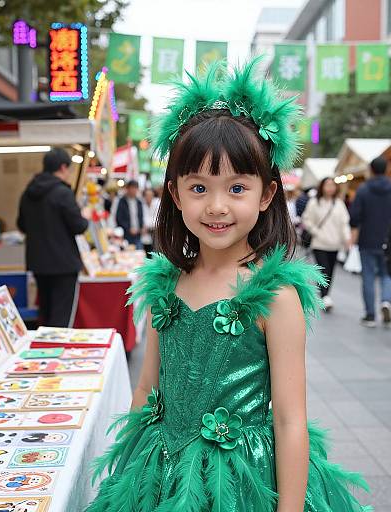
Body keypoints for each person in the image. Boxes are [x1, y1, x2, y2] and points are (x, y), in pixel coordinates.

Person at [87, 61, 370, 512]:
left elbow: (291, 419)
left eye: (236, 188)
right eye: (199, 187)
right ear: (176, 196)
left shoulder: (275, 296)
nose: (216, 206)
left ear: (266, 194)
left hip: (243, 484)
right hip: (160, 474)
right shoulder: (165, 284)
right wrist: (129, 476)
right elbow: (145, 388)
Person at [17, 148, 89, 328]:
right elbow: (79, 226)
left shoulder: (28, 192)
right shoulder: (63, 193)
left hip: (38, 264)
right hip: (63, 265)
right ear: (63, 167)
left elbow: (21, 225)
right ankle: (56, 352)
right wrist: (84, 215)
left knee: (46, 313)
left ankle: (44, 353)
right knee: (61, 317)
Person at [350, 156, 391, 327]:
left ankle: (370, 315)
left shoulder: (363, 190)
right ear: (386, 169)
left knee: (368, 277)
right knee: (387, 275)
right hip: (389, 241)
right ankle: (386, 301)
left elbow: (354, 216)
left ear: (371, 169)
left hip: (367, 240)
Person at [302, 177, 350, 311]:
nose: (330, 188)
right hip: (319, 243)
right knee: (324, 269)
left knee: (331, 271)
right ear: (322, 186)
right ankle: (325, 296)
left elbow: (344, 223)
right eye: (327, 185)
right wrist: (316, 231)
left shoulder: (339, 204)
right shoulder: (314, 202)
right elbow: (306, 219)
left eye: (332, 185)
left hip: (335, 244)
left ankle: (326, 295)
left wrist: (347, 239)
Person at [116, 180, 144, 249]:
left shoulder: (139, 202)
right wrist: (128, 229)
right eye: (132, 188)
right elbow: (119, 218)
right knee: (127, 255)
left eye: (135, 188)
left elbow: (140, 216)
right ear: (127, 189)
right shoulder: (122, 201)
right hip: (126, 235)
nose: (134, 190)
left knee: (139, 253)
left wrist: (141, 227)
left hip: (138, 234)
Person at [140, 188, 160, 254]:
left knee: (156, 252)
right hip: (145, 233)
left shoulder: (157, 203)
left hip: (156, 231)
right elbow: (142, 218)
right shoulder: (142, 204)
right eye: (147, 195)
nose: (148, 197)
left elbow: (158, 219)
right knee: (147, 251)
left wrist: (147, 227)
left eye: (150, 195)